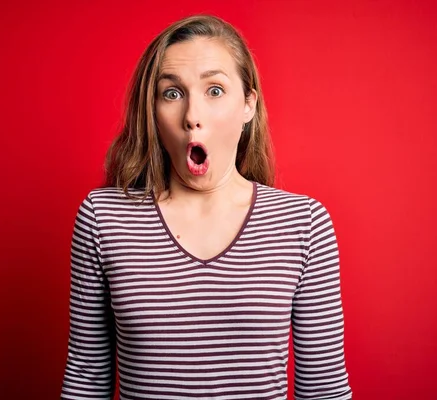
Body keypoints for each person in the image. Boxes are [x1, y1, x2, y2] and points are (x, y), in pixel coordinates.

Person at [61, 14, 352, 400]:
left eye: (214, 90)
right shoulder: (104, 217)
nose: (192, 118)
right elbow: (86, 379)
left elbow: (324, 388)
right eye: (172, 93)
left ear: (248, 105)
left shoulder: (303, 223)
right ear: (153, 112)